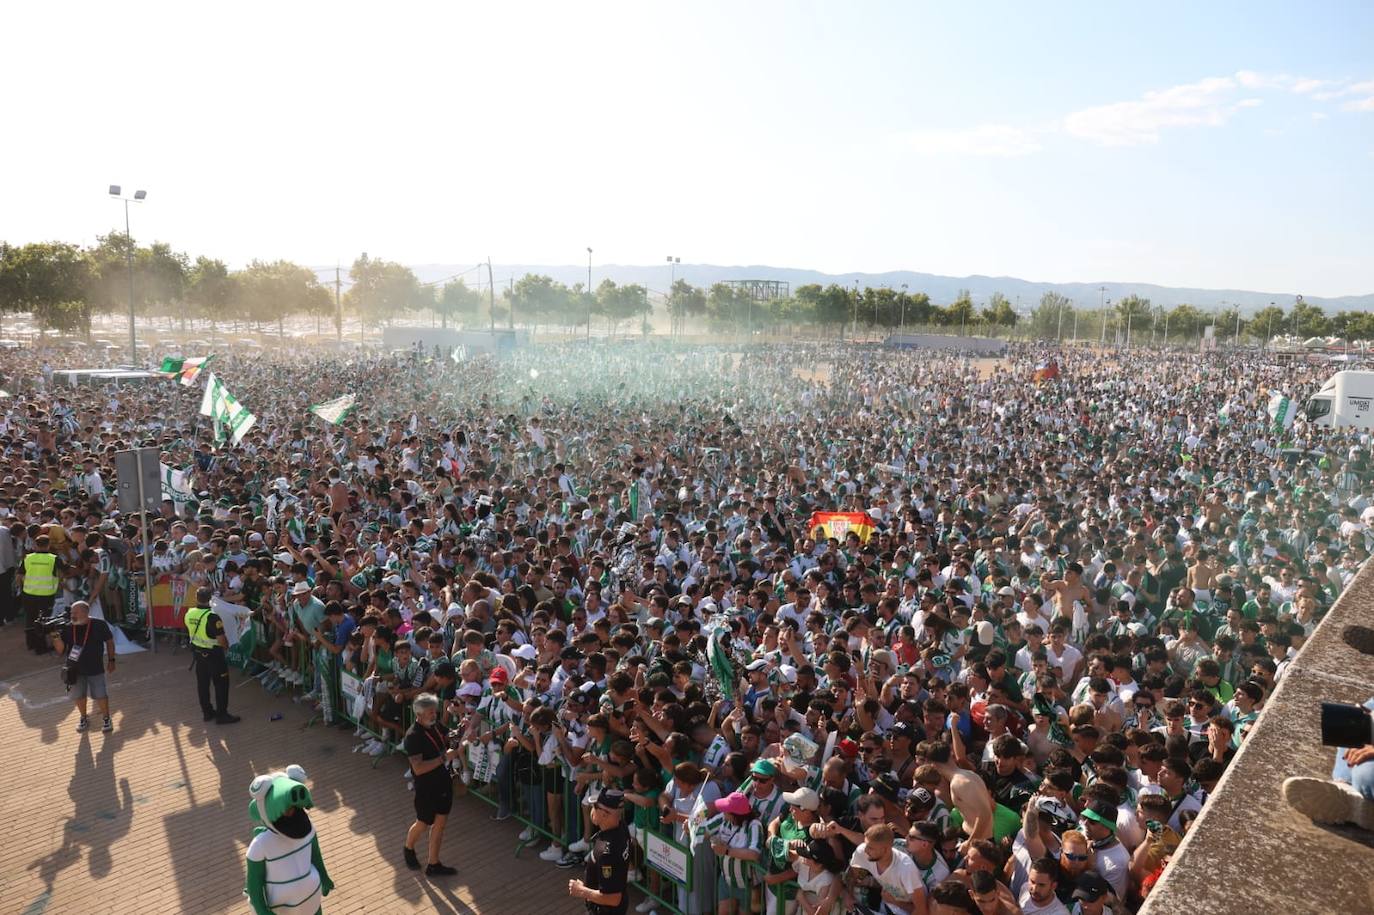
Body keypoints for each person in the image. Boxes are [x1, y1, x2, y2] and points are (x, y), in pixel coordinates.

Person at [244, 764, 333, 915]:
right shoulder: (260, 846)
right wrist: (262, 910)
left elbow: (316, 856)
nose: (293, 813)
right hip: (282, 909)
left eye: (295, 809)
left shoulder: (308, 829)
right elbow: (254, 886)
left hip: (312, 902)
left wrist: (324, 878)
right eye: (287, 810)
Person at [402, 692, 460, 877]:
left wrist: (461, 730)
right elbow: (418, 768)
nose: (434, 715)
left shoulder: (434, 725)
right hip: (426, 787)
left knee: (440, 824)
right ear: (419, 715)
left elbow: (447, 735)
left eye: (435, 711)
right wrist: (443, 758)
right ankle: (408, 848)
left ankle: (433, 864)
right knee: (423, 823)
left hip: (442, 782)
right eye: (430, 712)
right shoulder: (413, 736)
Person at [49, 599, 116, 733]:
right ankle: (83, 717)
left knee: (100, 694)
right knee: (78, 696)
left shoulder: (99, 625)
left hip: (95, 667)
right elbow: (60, 650)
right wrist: (55, 635)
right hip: (74, 669)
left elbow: (109, 642)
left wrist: (111, 660)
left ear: (85, 612)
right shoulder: (68, 627)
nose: (72, 615)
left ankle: (106, 718)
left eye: (75, 612)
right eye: (72, 612)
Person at [567, 787, 631, 915]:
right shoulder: (621, 827)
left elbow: (613, 898)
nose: (592, 810)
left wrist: (581, 890)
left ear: (604, 814)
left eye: (595, 806)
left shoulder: (607, 853)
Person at [184, 586, 240, 724]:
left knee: (202, 685)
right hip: (214, 655)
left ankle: (207, 713)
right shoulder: (212, 617)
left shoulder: (189, 613)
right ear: (210, 599)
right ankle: (222, 715)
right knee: (221, 685)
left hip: (198, 654)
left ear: (196, 598)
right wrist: (226, 648)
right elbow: (221, 640)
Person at [20, 533, 62, 654]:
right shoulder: (53, 558)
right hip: (45, 595)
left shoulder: (28, 558)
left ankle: (31, 644)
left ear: (35, 545)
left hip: (28, 594)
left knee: (30, 618)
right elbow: (66, 570)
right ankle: (41, 648)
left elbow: (19, 576)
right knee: (43, 621)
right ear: (48, 545)